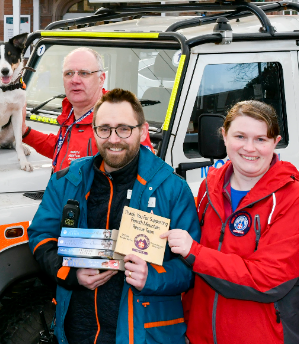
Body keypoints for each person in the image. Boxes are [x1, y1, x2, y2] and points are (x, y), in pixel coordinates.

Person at [28, 88, 200, 344]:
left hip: (143, 335)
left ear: (142, 131)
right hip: (77, 333)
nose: (113, 139)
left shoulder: (172, 189)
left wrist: (150, 277)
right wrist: (71, 273)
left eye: (124, 129)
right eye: (105, 129)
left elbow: (190, 269)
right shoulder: (67, 181)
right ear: (94, 131)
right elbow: (41, 236)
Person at [162, 100, 299, 344]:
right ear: (224, 136)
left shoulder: (292, 198)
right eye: (240, 136)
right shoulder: (207, 189)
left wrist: (194, 253)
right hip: (199, 336)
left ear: (275, 143)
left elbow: (265, 281)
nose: (249, 148)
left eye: (261, 139)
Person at [22, 47, 152, 172]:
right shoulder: (71, 111)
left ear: (101, 79)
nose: (75, 80)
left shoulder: (120, 116)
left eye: (84, 73)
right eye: (69, 73)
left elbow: (145, 174)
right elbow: (64, 149)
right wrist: (24, 132)